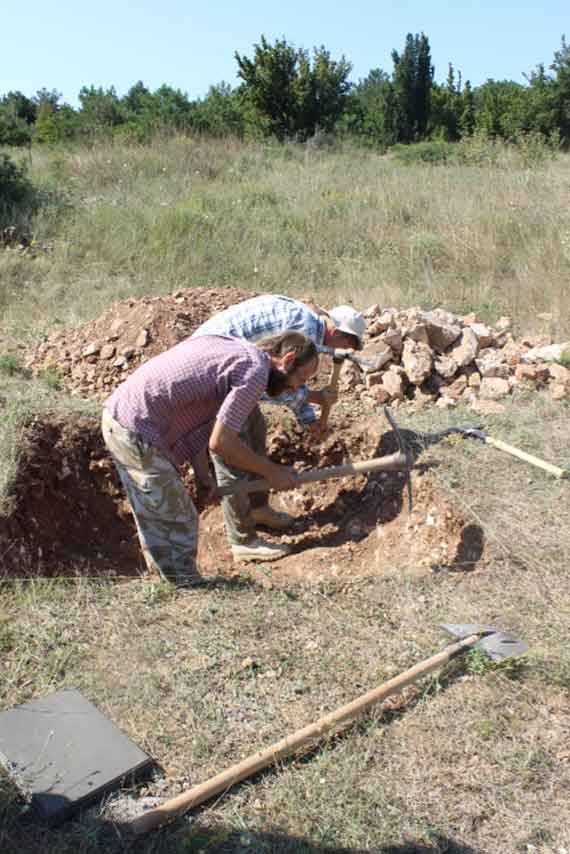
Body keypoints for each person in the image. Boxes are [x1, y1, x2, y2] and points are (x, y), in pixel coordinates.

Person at [101, 331, 319, 585]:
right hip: (137, 428)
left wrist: (204, 477)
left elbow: (200, 423)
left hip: (123, 418)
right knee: (178, 521)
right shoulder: (254, 373)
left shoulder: (236, 352)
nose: (297, 389)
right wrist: (271, 471)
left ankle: (167, 583)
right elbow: (222, 442)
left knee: (157, 517)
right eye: (301, 379)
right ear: (288, 360)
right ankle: (186, 588)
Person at [192, 295, 366, 549]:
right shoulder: (303, 333)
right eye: (349, 343)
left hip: (228, 370)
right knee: (233, 450)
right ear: (337, 331)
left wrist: (310, 412)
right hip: (209, 370)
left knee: (255, 428)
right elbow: (275, 386)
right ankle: (243, 540)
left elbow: (276, 383)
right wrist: (313, 408)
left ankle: (258, 509)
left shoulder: (305, 325)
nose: (348, 349)